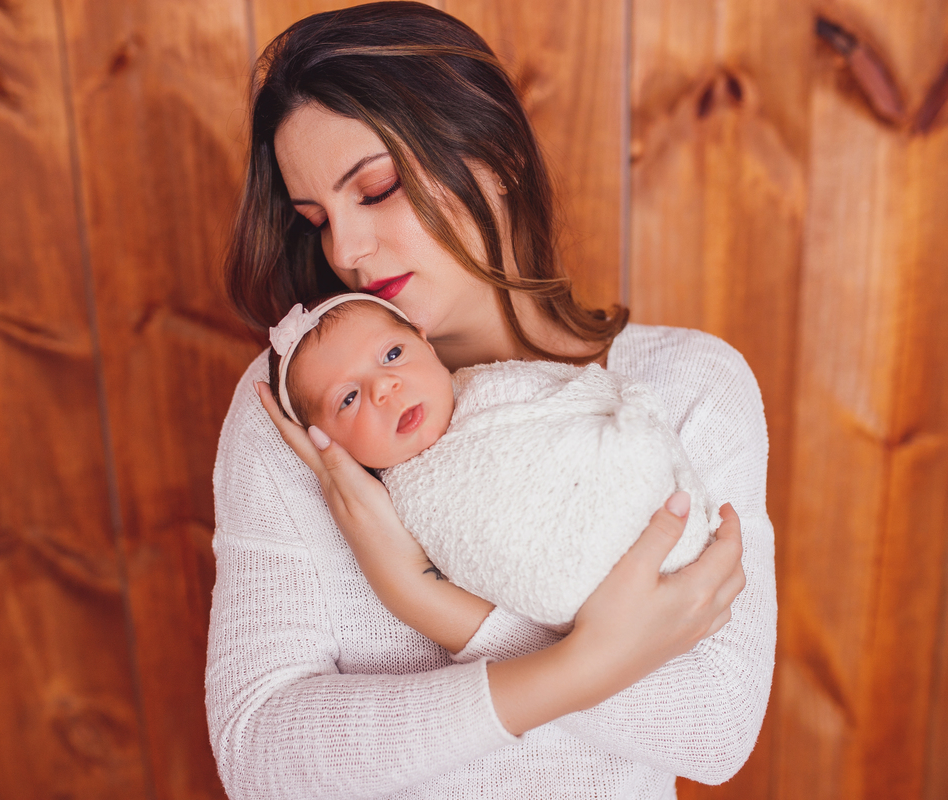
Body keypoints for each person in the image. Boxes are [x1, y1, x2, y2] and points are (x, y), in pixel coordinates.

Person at [207, 3, 775, 798]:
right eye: (317, 220)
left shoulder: (685, 389)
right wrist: (582, 663)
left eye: (374, 189)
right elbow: (259, 757)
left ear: (495, 152)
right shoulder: (308, 411)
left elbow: (715, 729)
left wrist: (437, 606)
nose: (345, 251)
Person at [263, 293, 720, 626]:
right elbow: (495, 553)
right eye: (348, 398)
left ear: (425, 343)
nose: (383, 387)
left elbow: (584, 394)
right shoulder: (400, 503)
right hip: (574, 573)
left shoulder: (491, 385)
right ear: (326, 441)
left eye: (393, 354)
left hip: (647, 505)